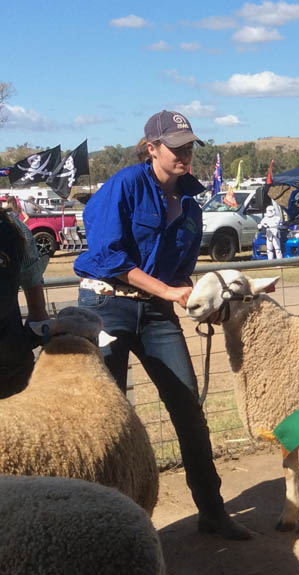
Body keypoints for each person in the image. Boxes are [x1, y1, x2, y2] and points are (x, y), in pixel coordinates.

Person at [73, 110, 253, 540]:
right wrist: (168, 291)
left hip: (157, 312)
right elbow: (108, 257)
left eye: (189, 146)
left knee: (188, 410)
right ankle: (105, 526)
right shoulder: (124, 185)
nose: (184, 154)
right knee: (107, 418)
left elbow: (179, 271)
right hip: (107, 305)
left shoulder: (191, 204)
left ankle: (213, 512)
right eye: (176, 147)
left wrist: (195, 297)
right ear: (152, 148)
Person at [0, 198, 48, 398]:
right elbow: (38, 310)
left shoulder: (13, 227)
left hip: (10, 361)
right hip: (11, 358)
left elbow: (37, 310)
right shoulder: (12, 227)